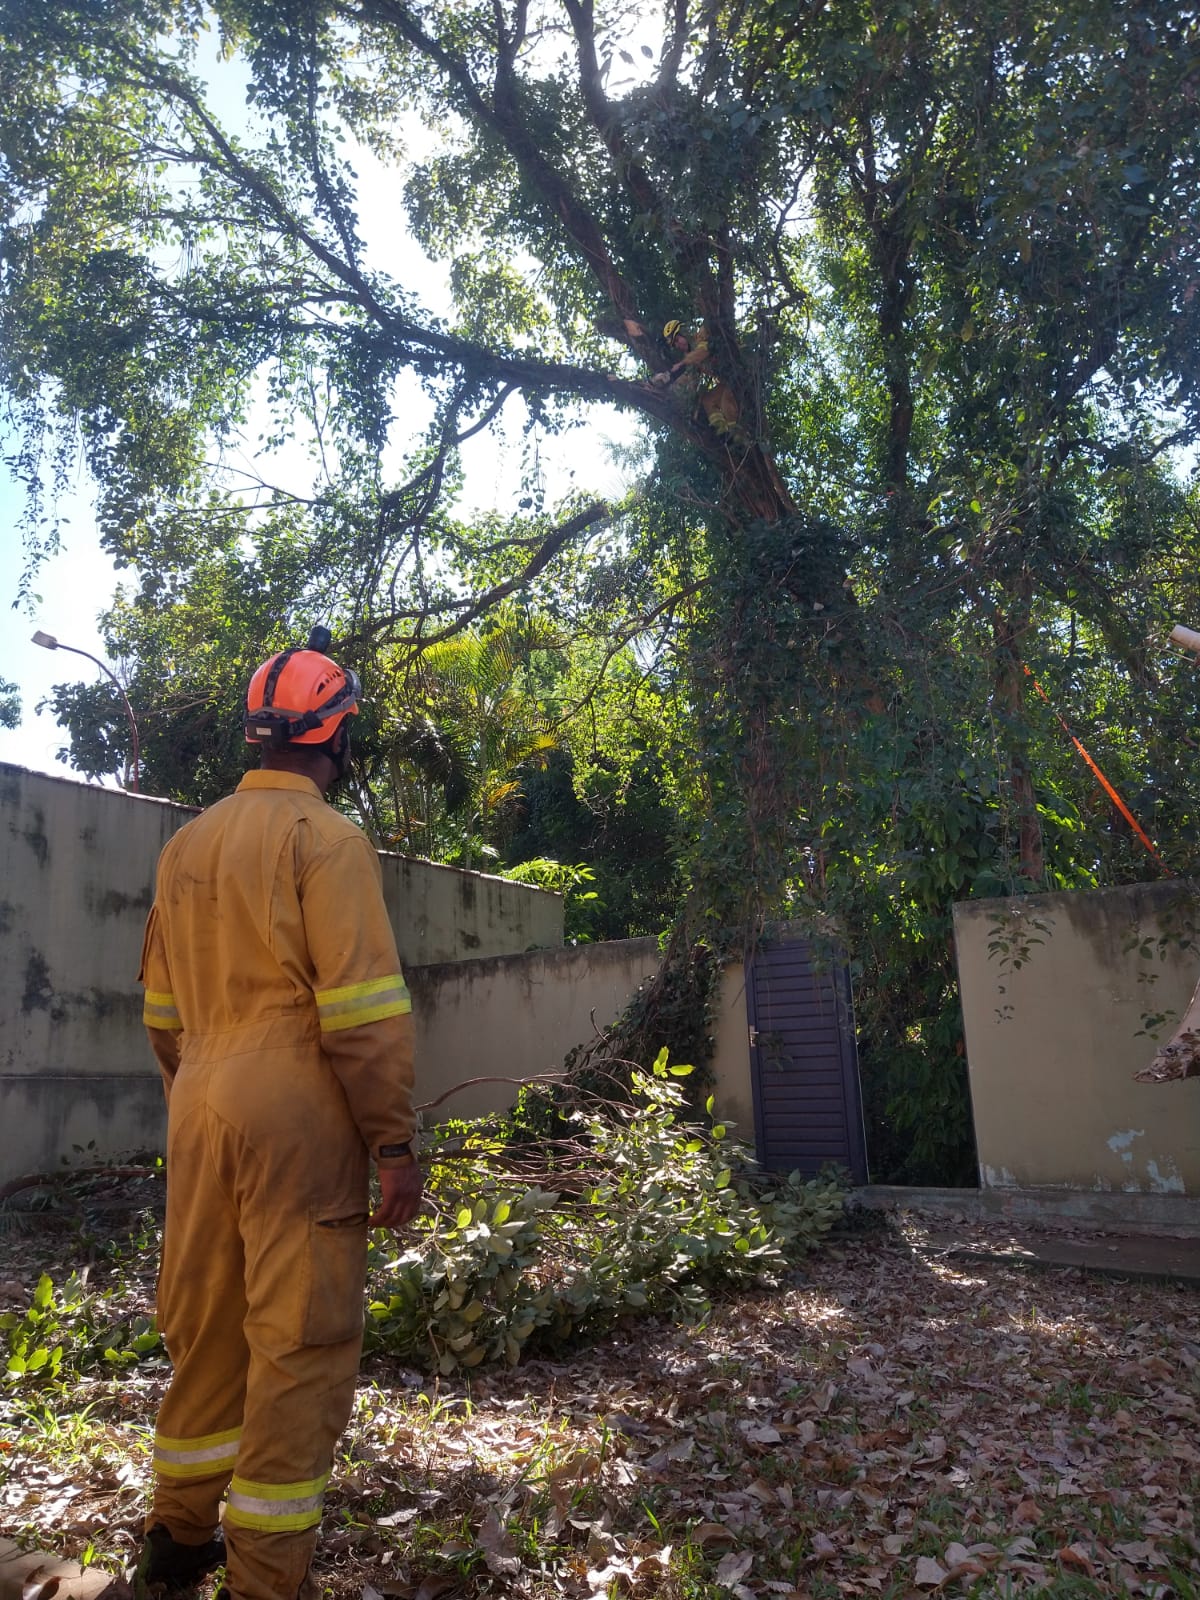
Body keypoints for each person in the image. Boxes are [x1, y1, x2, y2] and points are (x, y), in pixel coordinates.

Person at [135, 631, 422, 1600]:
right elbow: (361, 1014)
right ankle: (265, 1579)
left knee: (205, 1328)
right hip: (297, 1114)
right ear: (335, 735)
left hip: (199, 1103)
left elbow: (162, 1019)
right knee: (298, 1346)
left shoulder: (185, 847)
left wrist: (201, 1097)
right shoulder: (327, 840)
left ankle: (175, 1538)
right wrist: (393, 1141)